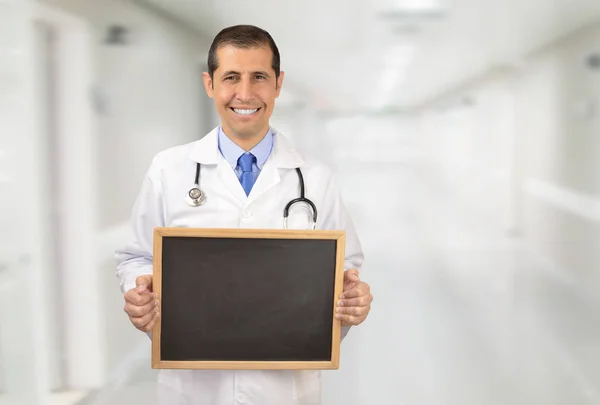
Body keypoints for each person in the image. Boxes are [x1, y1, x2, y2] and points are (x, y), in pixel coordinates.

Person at [115, 24, 373, 405]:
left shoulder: (315, 179)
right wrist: (140, 292)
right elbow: (136, 256)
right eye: (231, 77)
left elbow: (344, 268)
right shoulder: (169, 170)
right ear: (210, 84)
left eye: (259, 77)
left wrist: (353, 301)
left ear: (278, 83)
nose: (245, 93)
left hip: (285, 388)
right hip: (195, 387)